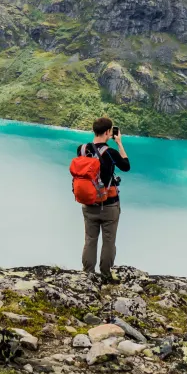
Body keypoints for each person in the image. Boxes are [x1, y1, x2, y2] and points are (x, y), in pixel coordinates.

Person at [80, 115, 129, 282]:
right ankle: (106, 275)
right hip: (108, 206)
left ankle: (87, 273)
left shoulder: (82, 149)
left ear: (94, 130)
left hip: (88, 202)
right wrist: (119, 143)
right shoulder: (110, 153)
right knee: (108, 241)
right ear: (108, 132)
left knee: (90, 239)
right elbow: (126, 166)